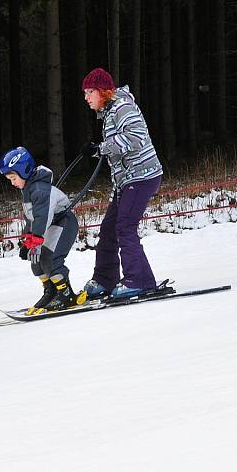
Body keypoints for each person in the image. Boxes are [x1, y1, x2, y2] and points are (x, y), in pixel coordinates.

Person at [80, 67, 163, 299]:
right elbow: (121, 145)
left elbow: (137, 136)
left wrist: (102, 147)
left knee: (125, 227)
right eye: (85, 93)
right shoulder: (109, 112)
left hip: (143, 175)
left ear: (103, 92)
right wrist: (98, 151)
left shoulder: (122, 107)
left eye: (90, 92)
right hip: (127, 179)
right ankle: (105, 279)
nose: (86, 98)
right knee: (108, 229)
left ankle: (140, 280)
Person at [0, 146, 86, 314]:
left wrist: (36, 241)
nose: (12, 182)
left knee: (51, 260)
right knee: (36, 264)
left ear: (24, 171)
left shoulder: (39, 190)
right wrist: (28, 242)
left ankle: (66, 295)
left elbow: (42, 217)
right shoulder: (28, 190)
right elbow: (31, 218)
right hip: (50, 226)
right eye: (9, 179)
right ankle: (51, 291)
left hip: (64, 223)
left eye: (13, 177)